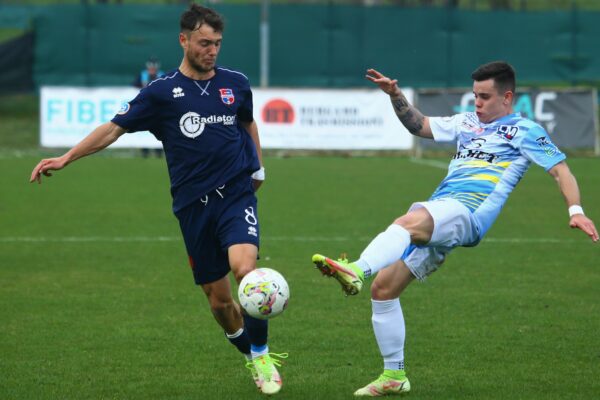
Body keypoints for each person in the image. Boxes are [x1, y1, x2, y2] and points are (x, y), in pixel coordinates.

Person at [30, 4, 287, 396]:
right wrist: (66, 157)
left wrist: (259, 167)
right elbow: (113, 130)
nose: (211, 50)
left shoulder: (236, 83)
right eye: (204, 43)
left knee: (246, 272)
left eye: (217, 43)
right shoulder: (161, 93)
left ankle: (263, 353)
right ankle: (250, 354)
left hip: (236, 196)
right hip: (192, 208)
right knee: (220, 304)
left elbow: (246, 120)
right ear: (183, 40)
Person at [312, 61, 598, 397]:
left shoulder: (525, 131)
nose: (477, 102)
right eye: (474, 95)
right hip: (443, 211)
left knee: (405, 223)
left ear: (507, 98)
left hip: (468, 212)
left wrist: (576, 210)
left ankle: (356, 269)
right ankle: (394, 375)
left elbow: (561, 171)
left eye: (485, 96)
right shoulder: (467, 122)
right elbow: (418, 125)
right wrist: (395, 95)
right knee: (384, 290)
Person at [133, 56, 165, 158]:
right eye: (150, 66)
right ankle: (145, 151)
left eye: (154, 66)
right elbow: (133, 87)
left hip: (159, 107)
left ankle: (158, 151)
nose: (152, 68)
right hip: (145, 107)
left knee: (159, 127)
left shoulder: (162, 75)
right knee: (144, 126)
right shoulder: (142, 75)